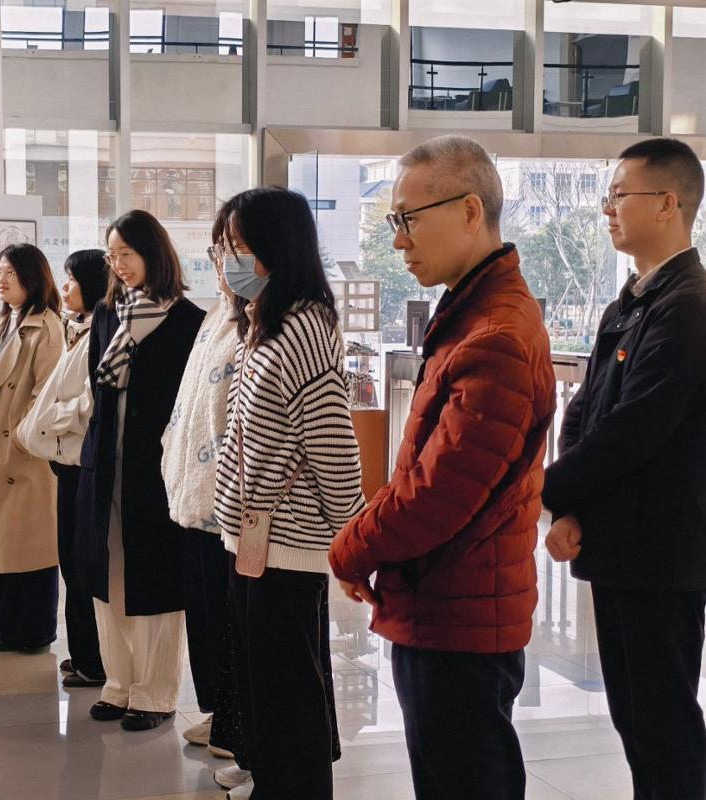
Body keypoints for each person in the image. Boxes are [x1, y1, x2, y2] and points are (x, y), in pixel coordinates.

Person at [329, 135, 556, 800]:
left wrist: (350, 549)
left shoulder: (495, 336)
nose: (398, 239)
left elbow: (435, 495)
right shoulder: (471, 315)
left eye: (406, 218)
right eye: (391, 221)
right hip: (448, 604)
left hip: (460, 615)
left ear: (468, 210)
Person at [542, 137, 706, 800]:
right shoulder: (627, 304)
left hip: (662, 554)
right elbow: (584, 411)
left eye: (618, 195)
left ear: (666, 204)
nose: (606, 209)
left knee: (663, 723)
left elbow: (636, 429)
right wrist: (566, 508)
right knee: (634, 719)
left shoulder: (689, 305)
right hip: (619, 545)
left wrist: (541, 492)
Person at [212, 186, 364, 800]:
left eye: (238, 246)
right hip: (252, 537)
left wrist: (356, 544)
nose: (229, 260)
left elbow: (333, 448)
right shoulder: (265, 323)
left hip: (288, 546)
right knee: (264, 694)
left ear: (276, 247)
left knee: (288, 700)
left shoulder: (304, 329)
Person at [76, 210, 205, 731]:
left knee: (155, 581)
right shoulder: (108, 314)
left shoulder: (189, 320)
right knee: (106, 574)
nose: (118, 265)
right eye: (112, 256)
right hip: (105, 463)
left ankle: (155, 694)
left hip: (156, 471)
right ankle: (119, 683)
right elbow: (95, 389)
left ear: (154, 253)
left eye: (126, 254)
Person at [160, 209, 240, 756]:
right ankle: (219, 714)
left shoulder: (265, 322)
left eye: (232, 250)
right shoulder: (216, 314)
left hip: (229, 505)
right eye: (217, 251)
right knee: (205, 616)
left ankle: (236, 725)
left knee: (229, 621)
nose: (222, 263)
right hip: (192, 495)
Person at [0, 243, 64, 653]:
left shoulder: (47, 327)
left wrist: (22, 436)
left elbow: (48, 393)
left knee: (29, 543)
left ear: (32, 277)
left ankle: (32, 630)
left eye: (10, 273)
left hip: (23, 452)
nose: (0, 280)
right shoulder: (7, 320)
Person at [17, 249, 110, 688]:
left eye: (72, 278)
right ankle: (83, 654)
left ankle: (94, 661)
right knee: (71, 563)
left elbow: (90, 403)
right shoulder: (79, 328)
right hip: (65, 460)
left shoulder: (100, 334)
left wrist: (49, 416)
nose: (66, 286)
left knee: (82, 565)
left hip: (80, 460)